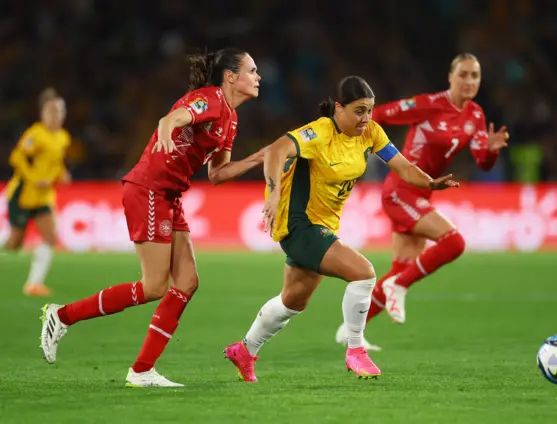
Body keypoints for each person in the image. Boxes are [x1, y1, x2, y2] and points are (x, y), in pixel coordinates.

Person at [40, 47, 264, 387]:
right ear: (231, 76)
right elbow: (171, 120)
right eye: (252, 70)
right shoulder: (211, 99)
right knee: (154, 286)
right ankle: (62, 315)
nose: (258, 76)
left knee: (187, 281)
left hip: (170, 195)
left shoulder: (231, 118)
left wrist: (260, 157)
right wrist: (165, 134)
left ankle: (142, 370)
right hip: (149, 189)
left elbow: (218, 174)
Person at [223, 75, 459, 382]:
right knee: (363, 272)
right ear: (339, 109)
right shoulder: (319, 132)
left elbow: (402, 166)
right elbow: (275, 151)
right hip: (298, 224)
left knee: (293, 300)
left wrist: (429, 182)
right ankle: (355, 351)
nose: (366, 118)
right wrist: (275, 192)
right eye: (359, 110)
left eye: (370, 110)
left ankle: (244, 350)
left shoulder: (371, 133)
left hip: (324, 225)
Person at [335, 53, 509, 351]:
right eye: (463, 74)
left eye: (475, 76)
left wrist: (491, 151)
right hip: (400, 190)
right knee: (454, 242)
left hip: (421, 193)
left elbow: (483, 162)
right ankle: (398, 287)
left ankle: (351, 331)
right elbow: (382, 114)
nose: (469, 81)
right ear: (450, 77)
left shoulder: (476, 115)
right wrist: (351, 138)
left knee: (400, 268)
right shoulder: (430, 105)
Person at [4, 88, 72, 297]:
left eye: (60, 110)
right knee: (15, 244)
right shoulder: (35, 134)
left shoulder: (63, 137)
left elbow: (55, 162)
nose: (56, 115)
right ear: (43, 113)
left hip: (43, 197)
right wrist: (35, 178)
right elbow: (16, 157)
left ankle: (33, 284)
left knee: (50, 237)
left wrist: (62, 173)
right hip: (23, 195)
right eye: (52, 111)